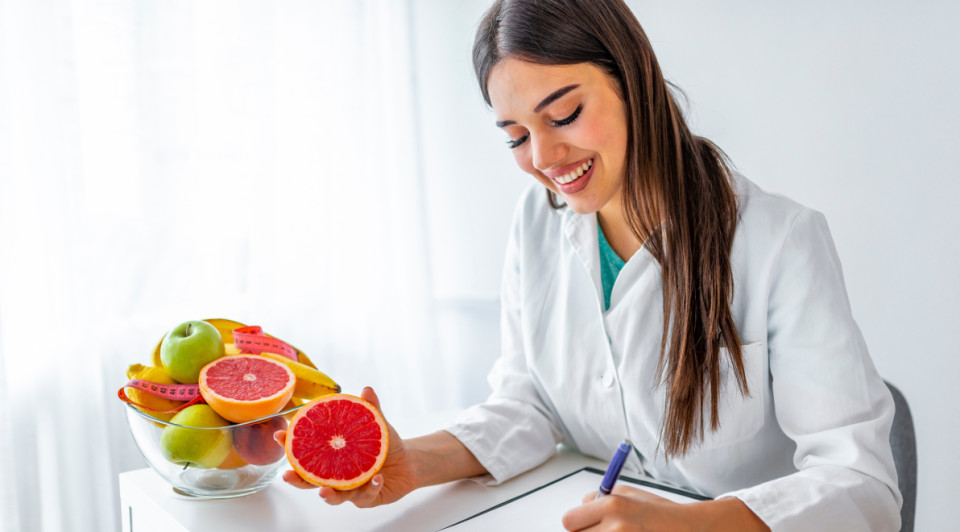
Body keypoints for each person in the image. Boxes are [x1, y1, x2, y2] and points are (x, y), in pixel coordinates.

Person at [277, 0, 902, 530]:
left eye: (565, 114)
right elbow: (530, 405)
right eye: (516, 135)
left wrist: (690, 524)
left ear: (632, 79)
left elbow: (862, 484)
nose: (544, 156)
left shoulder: (780, 241)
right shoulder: (537, 223)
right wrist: (415, 462)